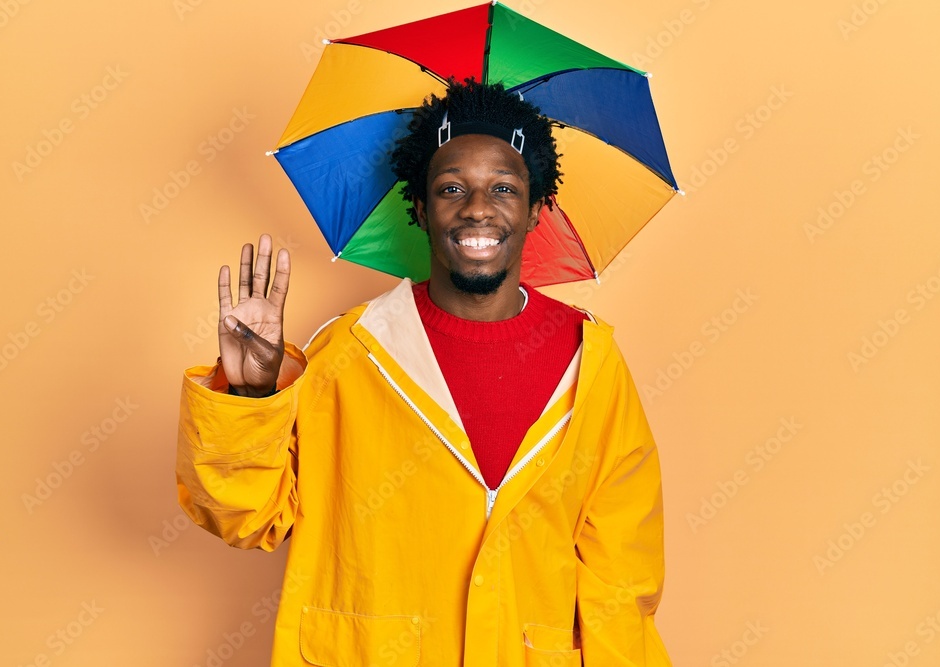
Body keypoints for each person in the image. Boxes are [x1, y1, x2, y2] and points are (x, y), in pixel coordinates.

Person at [176, 79, 671, 666]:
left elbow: (622, 579)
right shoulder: (352, 350)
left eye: (504, 188)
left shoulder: (590, 362)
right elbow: (245, 517)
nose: (478, 207)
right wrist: (251, 395)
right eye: (451, 188)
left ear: (537, 209)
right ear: (419, 207)